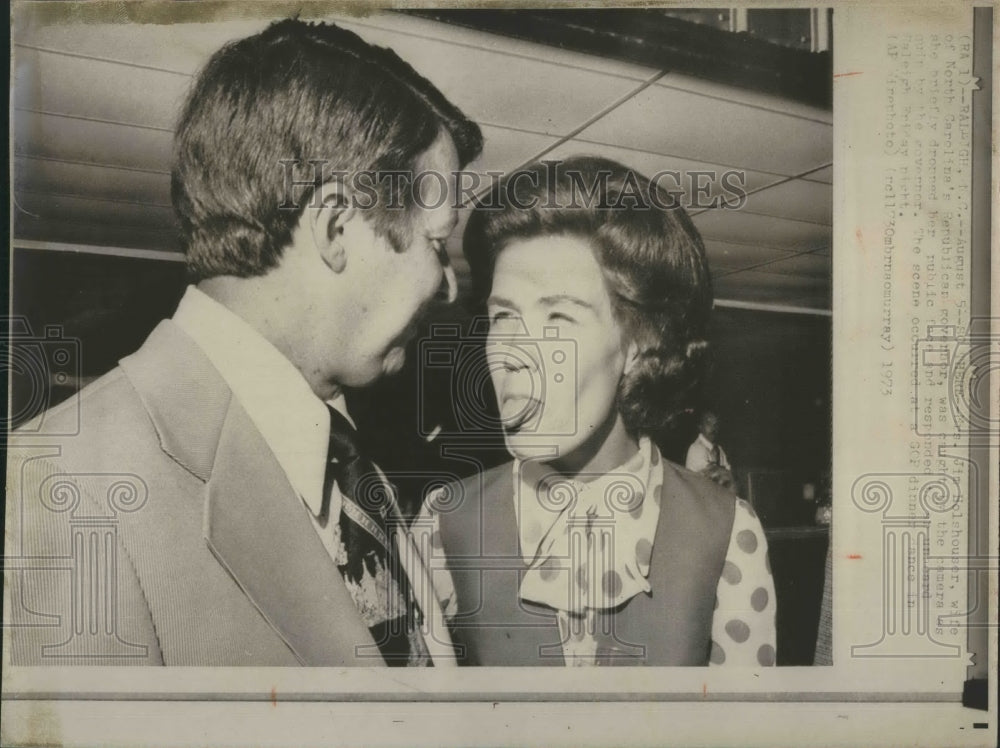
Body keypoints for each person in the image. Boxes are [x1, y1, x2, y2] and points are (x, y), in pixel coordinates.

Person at [5, 19, 482, 666]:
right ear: (337, 228)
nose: (448, 286)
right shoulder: (60, 488)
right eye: (435, 242)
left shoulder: (351, 465)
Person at [417, 157, 776, 667]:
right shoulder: (442, 524)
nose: (514, 355)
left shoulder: (727, 531)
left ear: (637, 344)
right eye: (504, 317)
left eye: (558, 316)